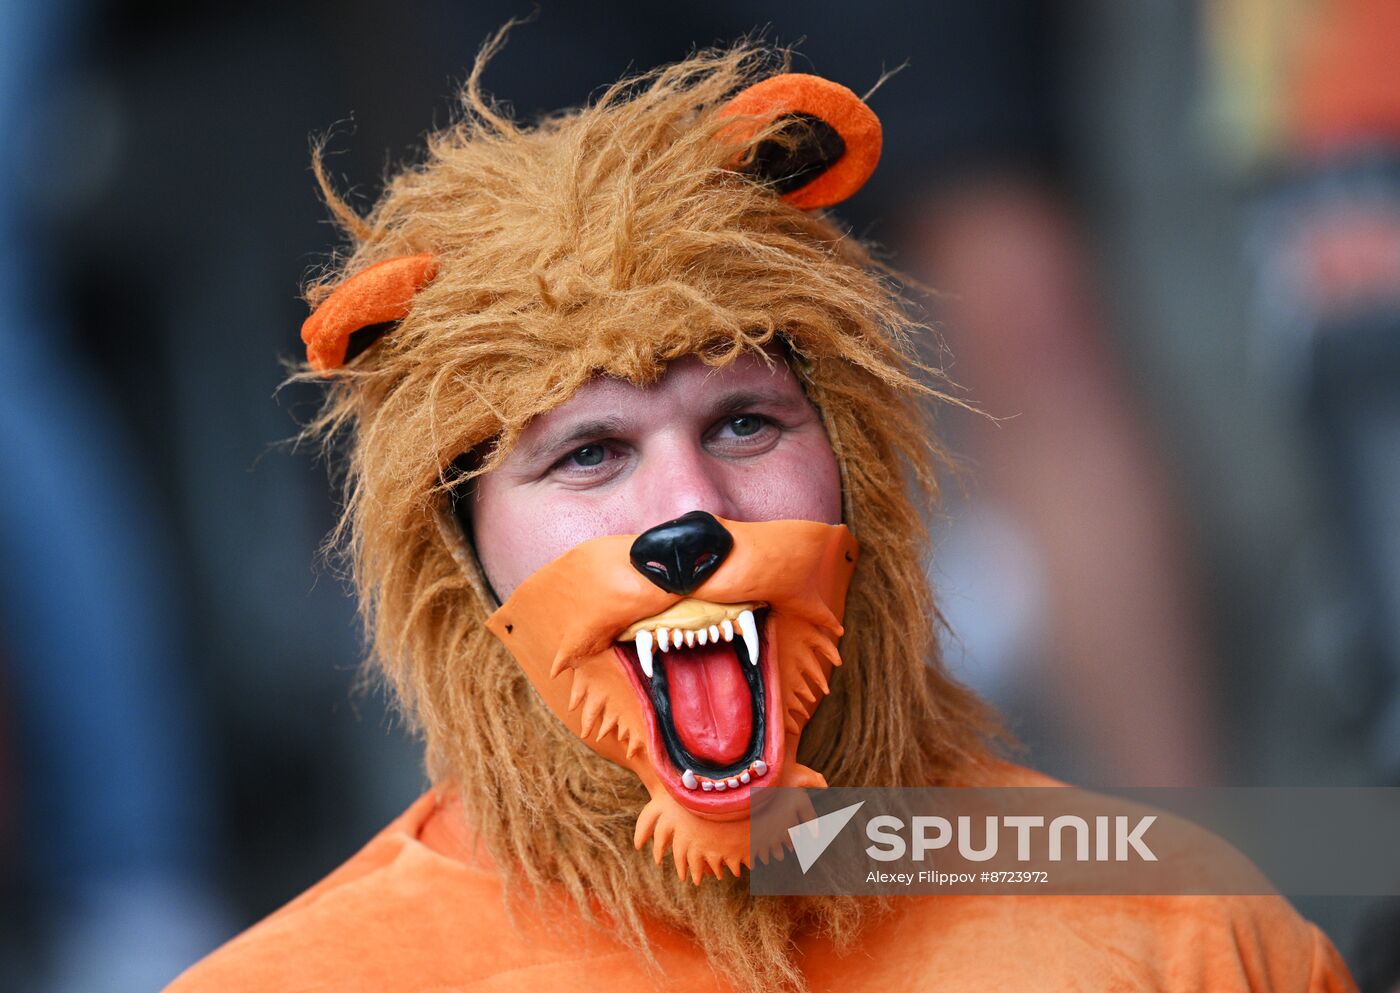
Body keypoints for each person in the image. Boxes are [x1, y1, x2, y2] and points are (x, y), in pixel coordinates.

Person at [166, 36, 1356, 992]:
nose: (689, 513)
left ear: (861, 469)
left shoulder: (1187, 936)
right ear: (457, 553)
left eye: (743, 423)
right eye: (588, 454)